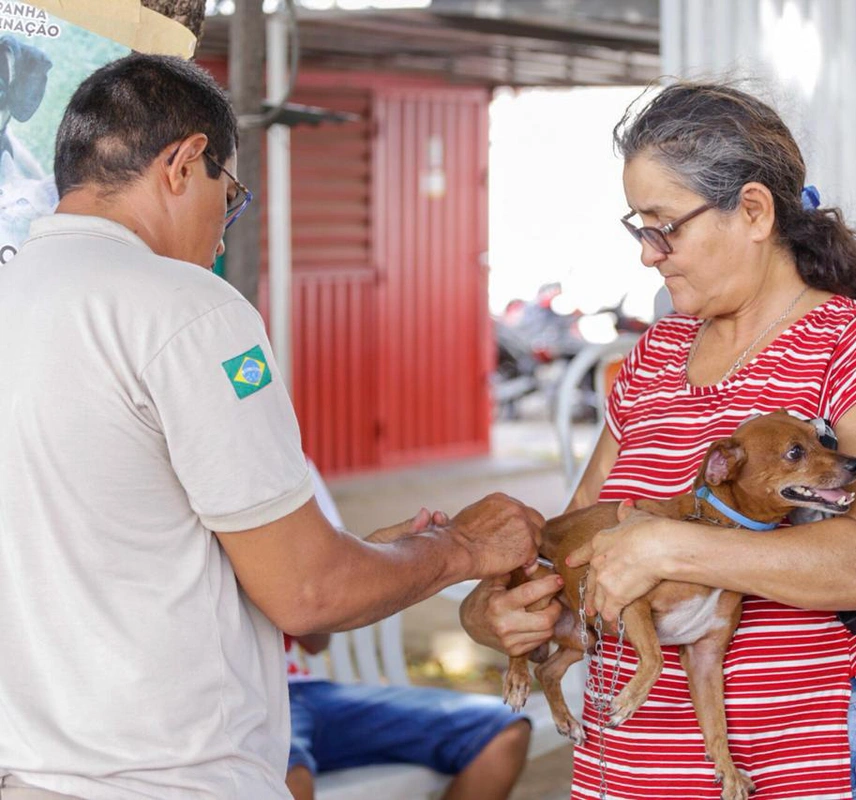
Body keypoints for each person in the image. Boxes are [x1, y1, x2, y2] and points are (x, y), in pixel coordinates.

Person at [0, 54, 541, 800]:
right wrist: (462, 548)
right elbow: (310, 594)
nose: (223, 237)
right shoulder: (187, 307)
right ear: (186, 162)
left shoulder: (16, 292)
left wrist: (352, 554)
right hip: (174, 778)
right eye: (232, 196)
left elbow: (120, 551)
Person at [462, 82, 856, 800]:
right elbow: (577, 543)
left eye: (665, 226)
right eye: (639, 228)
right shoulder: (654, 357)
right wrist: (493, 613)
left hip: (797, 766)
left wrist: (672, 545)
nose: (650, 255)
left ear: (752, 210)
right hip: (632, 768)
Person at [282, 465, 531, 800]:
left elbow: (316, 637)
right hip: (242, 703)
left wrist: (378, 562)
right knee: (282, 779)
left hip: (306, 691)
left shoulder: (297, 466)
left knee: (502, 732)